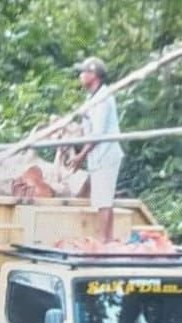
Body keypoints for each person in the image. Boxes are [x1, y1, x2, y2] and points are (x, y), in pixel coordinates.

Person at [67, 57, 124, 242]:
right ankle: (106, 238)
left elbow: (97, 134)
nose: (80, 76)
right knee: (102, 198)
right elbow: (86, 127)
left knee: (103, 201)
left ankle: (103, 240)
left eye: (83, 72)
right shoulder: (91, 98)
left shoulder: (102, 98)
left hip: (106, 155)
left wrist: (81, 156)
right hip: (97, 156)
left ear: (93, 75)